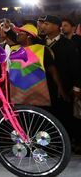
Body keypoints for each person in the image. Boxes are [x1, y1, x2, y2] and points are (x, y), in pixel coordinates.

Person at [39, 15, 81, 145]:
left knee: (65, 116)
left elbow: (76, 67)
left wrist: (77, 87)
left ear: (57, 26)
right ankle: (52, 144)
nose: (43, 26)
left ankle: (69, 143)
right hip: (44, 88)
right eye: (42, 24)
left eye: (47, 24)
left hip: (64, 88)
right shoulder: (39, 44)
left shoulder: (68, 44)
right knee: (48, 117)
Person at [9, 24, 59, 107]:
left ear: (29, 36)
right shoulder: (12, 50)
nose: (18, 34)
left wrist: (59, 86)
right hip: (18, 95)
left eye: (21, 33)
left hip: (40, 94)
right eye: (18, 33)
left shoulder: (42, 49)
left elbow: (52, 69)